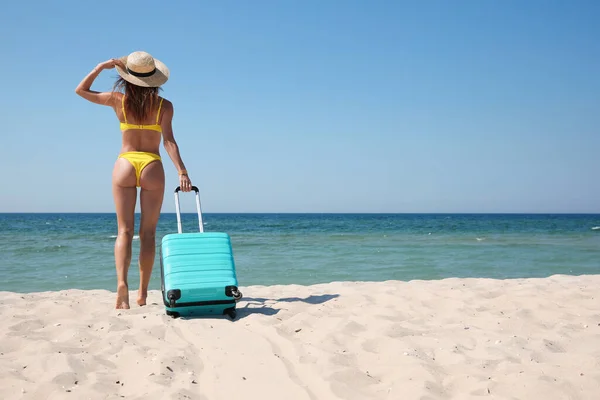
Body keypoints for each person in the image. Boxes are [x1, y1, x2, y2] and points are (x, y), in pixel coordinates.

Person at [75, 51, 192, 309]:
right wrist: (182, 171)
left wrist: (100, 67)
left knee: (124, 231)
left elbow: (81, 90)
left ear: (127, 78)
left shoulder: (118, 101)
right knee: (147, 234)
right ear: (154, 78)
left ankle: (121, 284)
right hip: (151, 165)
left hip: (125, 164)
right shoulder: (164, 106)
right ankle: (142, 293)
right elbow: (169, 141)